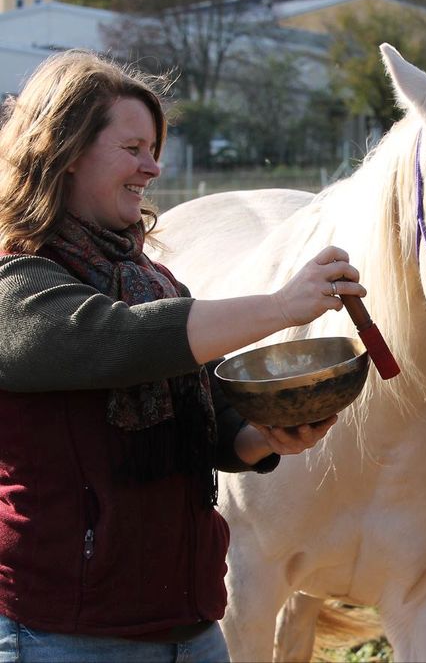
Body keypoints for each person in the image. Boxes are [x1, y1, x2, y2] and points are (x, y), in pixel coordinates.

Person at [0, 50, 366, 661]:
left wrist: (263, 437)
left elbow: (203, 415)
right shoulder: (16, 285)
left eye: (154, 148)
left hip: (190, 626)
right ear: (64, 154)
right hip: (64, 635)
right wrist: (283, 305)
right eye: (134, 148)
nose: (154, 166)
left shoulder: (154, 279)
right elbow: (121, 342)